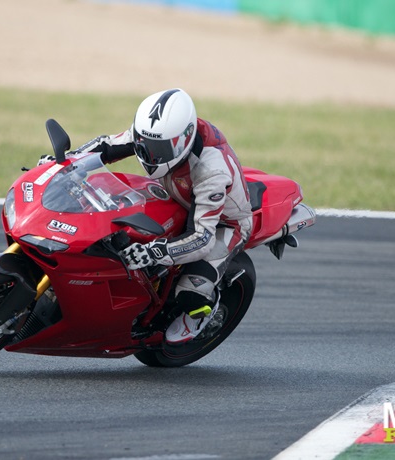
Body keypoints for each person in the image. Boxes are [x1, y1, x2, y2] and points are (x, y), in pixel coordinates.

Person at [52, 89, 254, 344]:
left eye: (158, 148)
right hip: (175, 194)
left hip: (224, 222)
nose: (149, 153)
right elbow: (108, 145)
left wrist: (153, 252)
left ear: (184, 139)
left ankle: (202, 311)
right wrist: (67, 164)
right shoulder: (156, 131)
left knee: (191, 288)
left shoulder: (211, 171)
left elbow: (202, 238)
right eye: (144, 143)